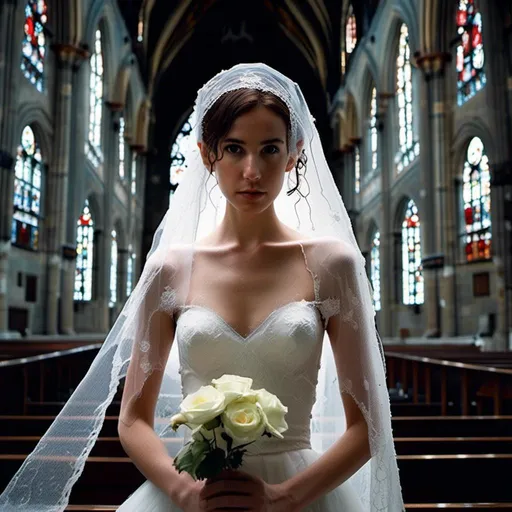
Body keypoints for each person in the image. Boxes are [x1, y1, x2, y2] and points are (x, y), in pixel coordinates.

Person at [0, 64, 404, 511]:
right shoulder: (169, 270)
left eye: (270, 149)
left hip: (299, 495)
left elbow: (368, 425)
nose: (252, 170)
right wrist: (183, 491)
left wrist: (282, 498)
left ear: (294, 155)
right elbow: (132, 420)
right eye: (234, 149)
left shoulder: (332, 265)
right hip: (192, 495)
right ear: (207, 154)